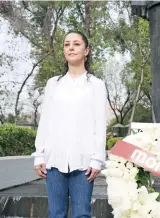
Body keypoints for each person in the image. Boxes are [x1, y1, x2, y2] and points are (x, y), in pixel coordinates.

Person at [31, 30, 107, 218]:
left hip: (83, 163)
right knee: (56, 213)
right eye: (67, 44)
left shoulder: (96, 85)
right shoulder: (53, 84)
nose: (71, 47)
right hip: (54, 161)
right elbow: (46, 120)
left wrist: (97, 159)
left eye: (76, 44)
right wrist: (39, 155)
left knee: (82, 214)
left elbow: (100, 125)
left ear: (86, 50)